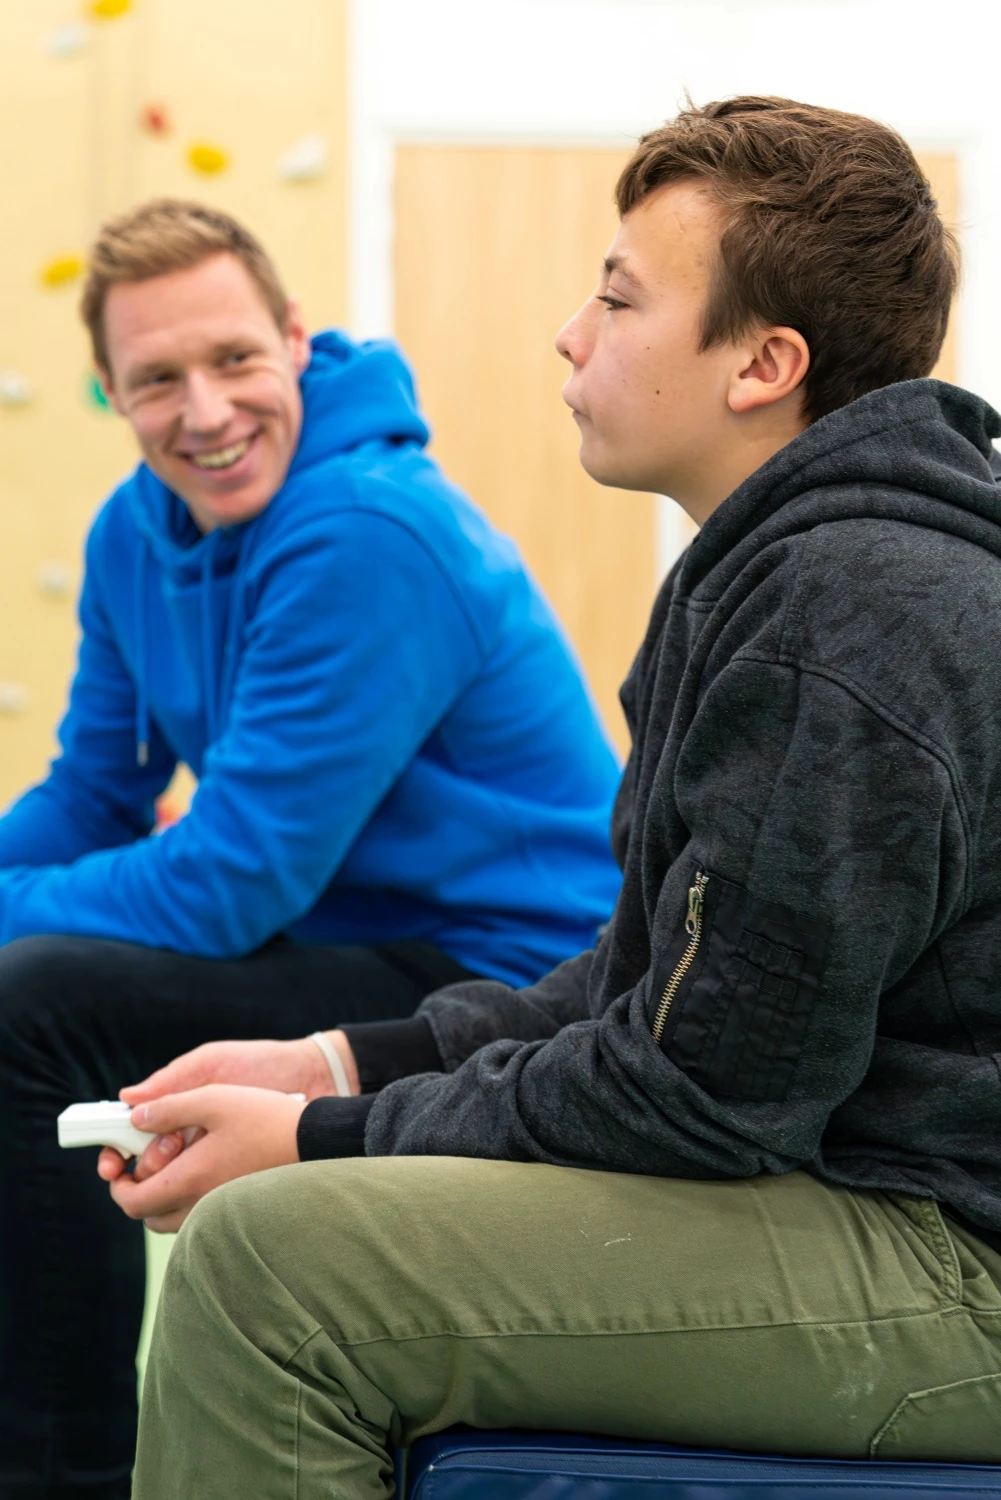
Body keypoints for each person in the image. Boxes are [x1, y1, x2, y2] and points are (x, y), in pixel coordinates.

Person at [128, 97, 1001, 1497]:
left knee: (267, 1268)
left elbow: (710, 1098)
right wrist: (345, 1065)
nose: (570, 334)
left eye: (619, 297)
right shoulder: (792, 573)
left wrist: (316, 1140)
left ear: (763, 364)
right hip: (878, 1203)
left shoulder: (850, 610)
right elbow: (657, 980)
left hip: (956, 1264)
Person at [0, 200, 623, 1498]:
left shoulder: (368, 532)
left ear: (294, 338)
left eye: (234, 358)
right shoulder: (134, 533)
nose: (205, 411)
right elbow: (94, 794)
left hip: (513, 972)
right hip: (344, 935)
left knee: (33, 1006)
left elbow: (229, 887)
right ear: (111, 392)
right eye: (156, 380)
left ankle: (62, 1474)